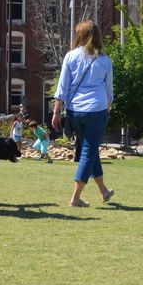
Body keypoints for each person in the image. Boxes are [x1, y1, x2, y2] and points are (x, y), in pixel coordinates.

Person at [52, 20, 115, 208]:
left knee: (90, 148)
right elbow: (109, 89)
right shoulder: (105, 60)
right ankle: (75, 198)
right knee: (88, 150)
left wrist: (56, 112)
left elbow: (62, 88)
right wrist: (108, 107)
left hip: (74, 111)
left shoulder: (70, 57)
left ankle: (104, 191)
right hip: (97, 109)